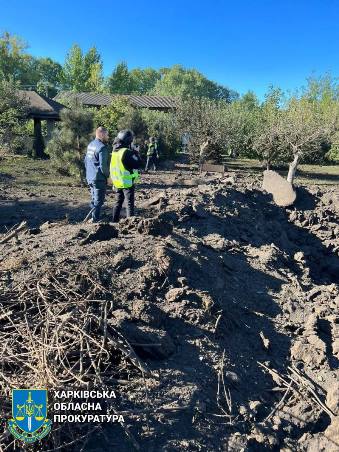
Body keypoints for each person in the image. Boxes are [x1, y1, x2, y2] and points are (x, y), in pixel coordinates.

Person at [110, 129, 142, 222]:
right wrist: (136, 153)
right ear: (129, 140)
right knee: (129, 203)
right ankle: (131, 223)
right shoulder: (126, 152)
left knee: (118, 202)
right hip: (127, 182)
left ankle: (114, 221)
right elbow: (138, 164)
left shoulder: (115, 151)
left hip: (117, 181)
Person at [84, 127, 110, 222]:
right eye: (107, 134)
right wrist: (108, 177)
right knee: (99, 201)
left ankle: (92, 218)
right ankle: (95, 220)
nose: (108, 137)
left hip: (90, 177)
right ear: (102, 134)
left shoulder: (90, 145)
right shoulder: (102, 147)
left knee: (94, 199)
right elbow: (103, 166)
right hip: (98, 178)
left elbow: (86, 161)